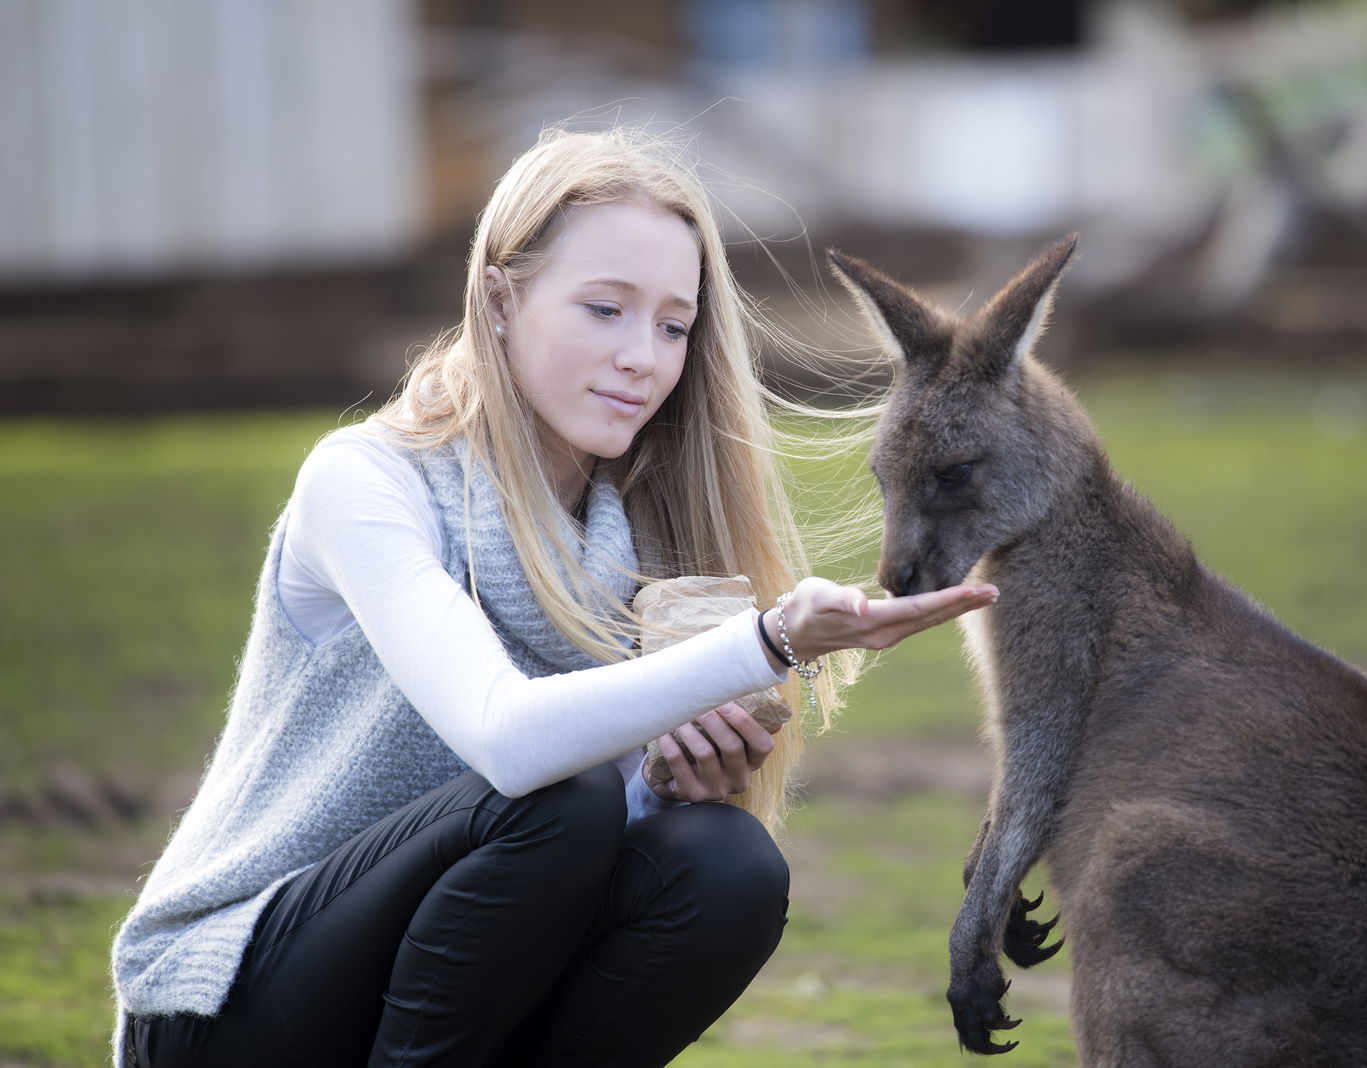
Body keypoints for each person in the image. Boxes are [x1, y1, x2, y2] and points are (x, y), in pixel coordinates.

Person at [109, 126, 998, 1068]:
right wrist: (770, 640)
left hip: (429, 998)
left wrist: (660, 787)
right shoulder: (368, 483)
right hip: (226, 1005)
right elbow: (508, 739)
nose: (642, 359)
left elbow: (543, 866)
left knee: (725, 868)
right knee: (556, 797)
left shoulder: (642, 544)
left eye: (671, 325)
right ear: (500, 299)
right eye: (605, 309)